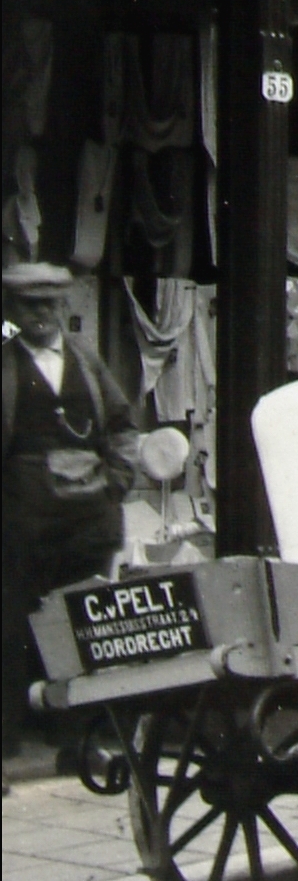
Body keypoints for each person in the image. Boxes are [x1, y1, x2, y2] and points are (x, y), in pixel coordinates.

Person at [3, 260, 137, 760]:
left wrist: (117, 483)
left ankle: (76, 745)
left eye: (49, 303)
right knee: (10, 633)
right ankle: (6, 748)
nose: (40, 314)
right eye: (28, 304)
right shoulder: (5, 363)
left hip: (88, 523)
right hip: (20, 526)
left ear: (63, 304)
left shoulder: (86, 360)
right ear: (12, 309)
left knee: (80, 631)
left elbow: (123, 426)